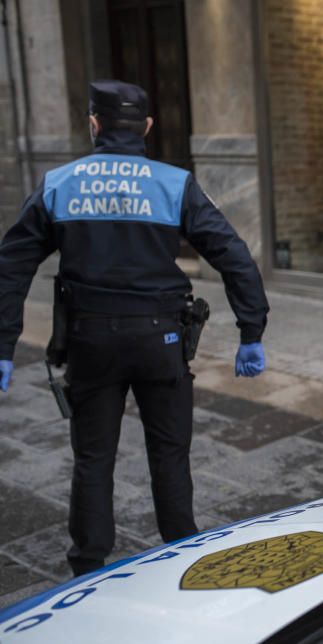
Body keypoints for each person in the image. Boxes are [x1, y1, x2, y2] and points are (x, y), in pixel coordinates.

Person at [0, 80, 270, 576]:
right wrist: (250, 331)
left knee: (93, 457)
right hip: (160, 340)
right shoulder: (174, 183)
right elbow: (234, 256)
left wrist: (3, 344)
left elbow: (11, 265)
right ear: (146, 127)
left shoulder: (60, 183)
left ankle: (88, 564)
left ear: (94, 123)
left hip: (90, 341)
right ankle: (181, 553)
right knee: (170, 453)